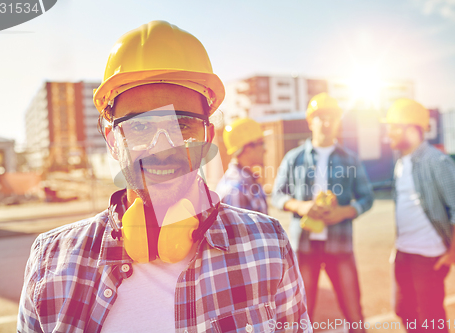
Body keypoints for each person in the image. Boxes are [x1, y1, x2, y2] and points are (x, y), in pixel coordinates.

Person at [17, 21, 310, 332]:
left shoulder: (267, 245)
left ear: (207, 137)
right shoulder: (51, 266)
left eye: (182, 125)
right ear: (113, 141)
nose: (163, 149)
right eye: (140, 126)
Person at [272, 93, 374, 333]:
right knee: (300, 315)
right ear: (310, 121)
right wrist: (301, 206)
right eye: (320, 117)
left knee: (355, 315)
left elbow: (367, 197)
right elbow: (277, 195)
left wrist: (345, 211)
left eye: (331, 117)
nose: (326, 123)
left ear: (338, 121)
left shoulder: (350, 159)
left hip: (340, 246)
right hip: (305, 248)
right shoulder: (293, 158)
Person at [384, 98, 455, 332]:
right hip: (404, 252)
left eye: (394, 126)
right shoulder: (401, 162)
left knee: (431, 321)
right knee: (404, 310)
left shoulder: (437, 161)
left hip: (429, 256)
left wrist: (454, 252)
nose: (388, 132)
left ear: (412, 128)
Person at [216, 118, 268, 214]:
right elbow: (239, 229)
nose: (265, 150)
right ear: (248, 149)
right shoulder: (235, 190)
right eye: (262, 143)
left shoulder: (249, 180)